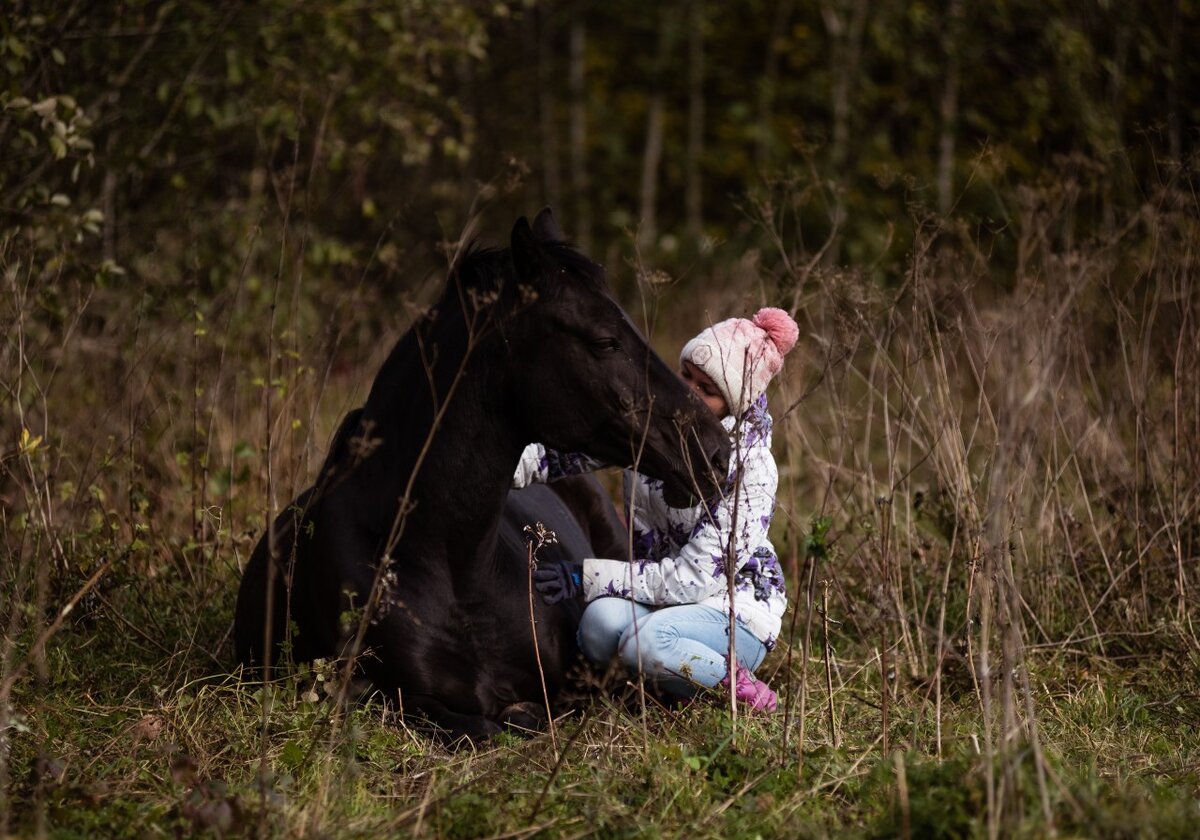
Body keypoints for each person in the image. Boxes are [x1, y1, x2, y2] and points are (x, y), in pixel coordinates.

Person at [512, 307, 799, 711]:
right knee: (596, 626)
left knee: (646, 643)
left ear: (733, 403)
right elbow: (563, 458)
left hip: (734, 611)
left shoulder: (751, 469)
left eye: (708, 389)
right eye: (687, 377)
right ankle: (663, 687)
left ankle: (743, 691)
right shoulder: (655, 429)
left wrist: (586, 576)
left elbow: (693, 580)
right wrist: (497, 466)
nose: (689, 394)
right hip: (661, 598)